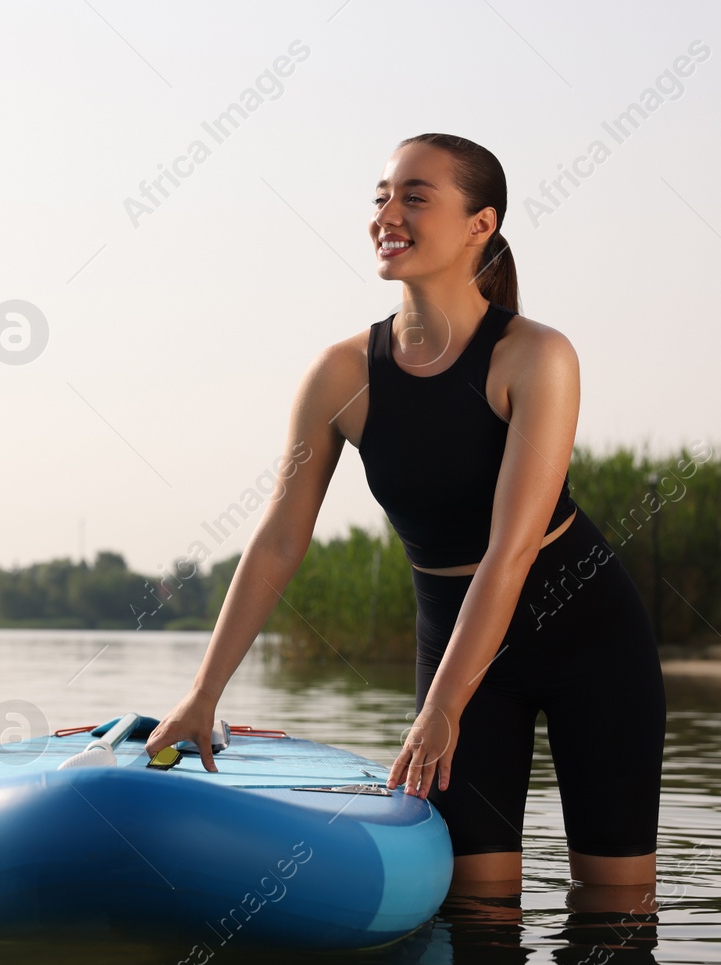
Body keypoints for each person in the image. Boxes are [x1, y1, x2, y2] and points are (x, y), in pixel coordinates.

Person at [143, 132, 666, 898]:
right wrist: (203, 693)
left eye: (415, 196)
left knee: (613, 911)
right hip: (453, 637)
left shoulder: (534, 356)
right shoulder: (341, 374)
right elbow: (282, 539)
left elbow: (511, 550)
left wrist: (441, 706)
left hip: (588, 639)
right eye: (382, 195)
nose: (388, 213)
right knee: (475, 911)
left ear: (480, 224)